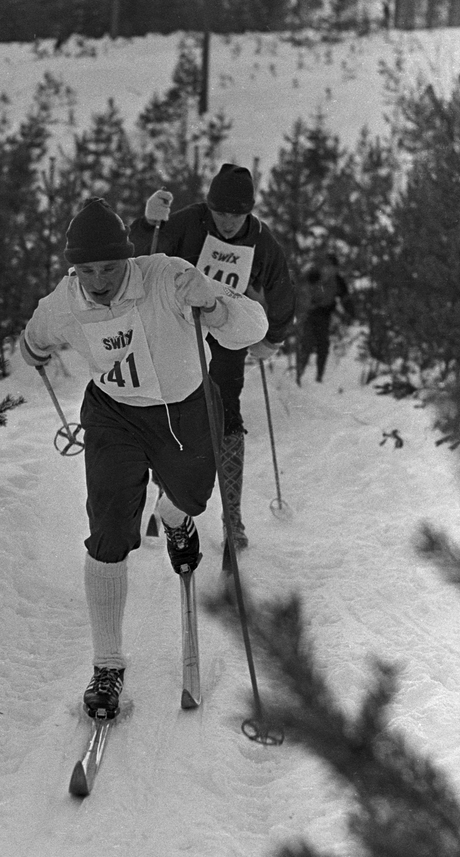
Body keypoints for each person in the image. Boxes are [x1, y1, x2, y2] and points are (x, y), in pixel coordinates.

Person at [20, 196, 267, 719]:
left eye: (108, 267)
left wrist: (215, 303)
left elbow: (253, 328)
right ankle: (106, 665)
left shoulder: (169, 277)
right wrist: (33, 351)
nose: (99, 279)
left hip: (186, 410)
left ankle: (176, 518)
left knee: (189, 499)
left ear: (126, 259)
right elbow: (34, 338)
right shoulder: (65, 300)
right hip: (115, 416)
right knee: (107, 527)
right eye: (87, 269)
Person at [129, 164, 296, 551]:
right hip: (177, 331)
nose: (227, 222)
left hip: (225, 335)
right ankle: (165, 491)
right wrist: (146, 223)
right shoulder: (188, 222)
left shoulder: (261, 241)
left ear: (248, 212)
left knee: (227, 417)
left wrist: (272, 337)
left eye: (235, 215)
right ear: (209, 207)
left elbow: (281, 287)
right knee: (172, 410)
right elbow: (143, 256)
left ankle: (232, 516)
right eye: (219, 213)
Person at [296, 253, 355, 384]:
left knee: (323, 346)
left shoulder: (338, 281)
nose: (329, 269)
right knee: (307, 344)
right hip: (310, 314)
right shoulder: (315, 275)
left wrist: (350, 313)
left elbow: (345, 298)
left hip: (324, 316)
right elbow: (303, 288)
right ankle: (299, 374)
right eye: (327, 266)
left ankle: (319, 376)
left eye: (332, 267)